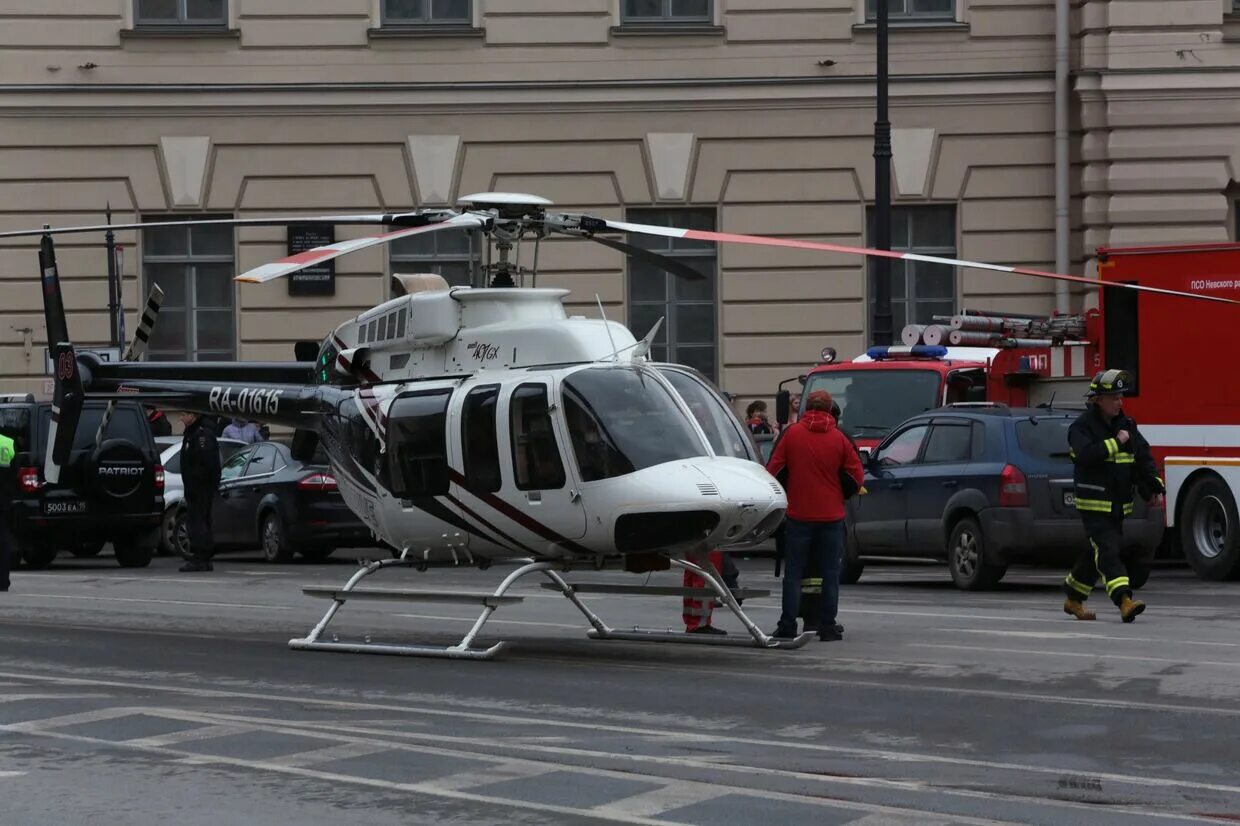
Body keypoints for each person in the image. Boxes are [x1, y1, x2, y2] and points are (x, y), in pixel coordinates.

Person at [1062, 369, 1164, 623]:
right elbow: (1086, 456)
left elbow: (1141, 458)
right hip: (1094, 506)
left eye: (1121, 397)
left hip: (1118, 505)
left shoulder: (1127, 425)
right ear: (1098, 400)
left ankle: (1073, 598)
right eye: (1114, 397)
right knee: (1108, 550)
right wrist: (1116, 443)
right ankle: (1124, 601)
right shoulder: (1081, 427)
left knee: (1095, 553)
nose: (1121, 402)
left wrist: (1153, 486)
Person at [766, 390, 864, 641]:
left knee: (794, 574)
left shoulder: (792, 435)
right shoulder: (839, 439)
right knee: (830, 573)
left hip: (799, 514)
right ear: (830, 409)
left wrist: (787, 492)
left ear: (807, 408)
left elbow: (773, 471)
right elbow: (856, 477)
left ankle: (788, 625)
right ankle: (827, 625)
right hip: (831, 516)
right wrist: (841, 492)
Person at [178, 411, 222, 572]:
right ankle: (201, 557)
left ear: (192, 416)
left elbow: (207, 463)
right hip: (194, 487)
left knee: (198, 522)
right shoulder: (192, 434)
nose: (181, 418)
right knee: (197, 521)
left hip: (199, 488)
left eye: (184, 414)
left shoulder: (201, 435)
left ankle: (201, 557)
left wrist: (200, 484)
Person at [0, 428, 16, 593]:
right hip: (3, 500)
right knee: (3, 542)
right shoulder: (8, 443)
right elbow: (15, 472)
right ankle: (3, 581)